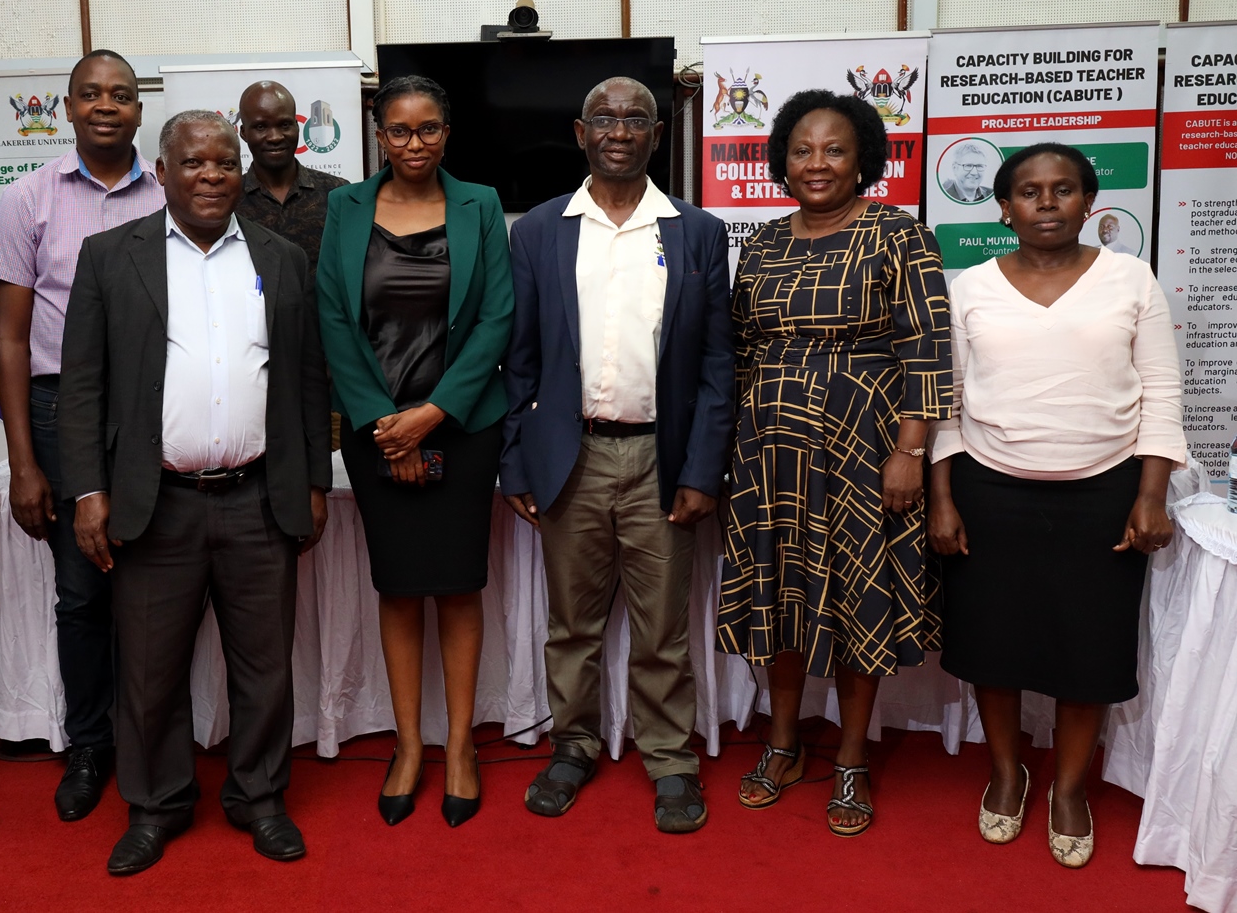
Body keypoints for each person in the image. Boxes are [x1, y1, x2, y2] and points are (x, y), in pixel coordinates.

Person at [58, 110, 331, 874]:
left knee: (265, 663)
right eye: (194, 163)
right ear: (163, 170)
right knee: (148, 669)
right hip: (156, 501)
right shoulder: (112, 255)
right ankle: (156, 804)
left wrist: (312, 480)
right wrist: (87, 490)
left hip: (257, 498)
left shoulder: (280, 258)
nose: (211, 175)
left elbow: (307, 378)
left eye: (224, 162)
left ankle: (260, 796)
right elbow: (81, 386)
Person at [927, 143, 1183, 868]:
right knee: (992, 646)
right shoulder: (968, 286)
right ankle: (1008, 773)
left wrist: (1152, 493)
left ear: (1088, 203)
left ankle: (1069, 789)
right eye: (1029, 191)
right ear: (1003, 207)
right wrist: (942, 497)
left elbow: (1161, 390)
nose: (1046, 202)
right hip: (989, 489)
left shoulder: (1131, 279)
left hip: (1103, 491)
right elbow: (944, 401)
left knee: (1089, 650)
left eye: (1063, 189)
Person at [500, 76, 733, 834]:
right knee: (573, 623)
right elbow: (520, 361)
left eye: (637, 118)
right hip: (572, 457)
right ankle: (573, 744)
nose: (620, 129)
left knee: (662, 625)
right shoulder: (538, 229)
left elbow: (716, 366)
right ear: (580, 132)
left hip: (661, 460)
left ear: (658, 135)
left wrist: (703, 468)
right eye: (605, 117)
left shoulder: (696, 232)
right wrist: (515, 461)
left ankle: (669, 758)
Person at [718, 88, 952, 837]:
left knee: (860, 595)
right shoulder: (760, 243)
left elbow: (927, 346)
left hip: (865, 449)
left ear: (864, 161)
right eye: (802, 149)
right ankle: (783, 741)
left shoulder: (898, 234)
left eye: (835, 149)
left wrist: (910, 449)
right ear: (782, 160)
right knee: (781, 594)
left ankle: (851, 755)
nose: (816, 163)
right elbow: (741, 350)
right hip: (770, 454)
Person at [316, 75, 513, 829]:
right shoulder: (345, 208)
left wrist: (430, 415)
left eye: (428, 129)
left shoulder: (482, 203)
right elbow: (335, 319)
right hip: (374, 431)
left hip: (463, 427)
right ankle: (407, 746)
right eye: (398, 131)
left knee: (458, 587)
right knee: (398, 587)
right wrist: (384, 422)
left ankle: (460, 746)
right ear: (377, 134)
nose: (414, 144)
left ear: (447, 133)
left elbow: (497, 316)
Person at [0, 49, 163, 822]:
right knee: (82, 590)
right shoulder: (28, 199)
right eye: (91, 94)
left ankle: (154, 739)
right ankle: (90, 744)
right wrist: (22, 460)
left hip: (155, 409)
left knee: (155, 584)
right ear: (68, 108)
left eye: (121, 94)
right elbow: (11, 340)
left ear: (139, 111)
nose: (107, 106)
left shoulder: (170, 192)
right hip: (61, 413)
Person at [235, 80, 349, 280]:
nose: (275, 137)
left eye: (285, 124)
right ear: (244, 133)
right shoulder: (229, 200)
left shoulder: (336, 193)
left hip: (322, 311)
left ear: (297, 126)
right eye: (261, 126)